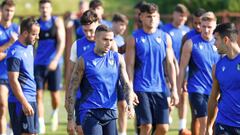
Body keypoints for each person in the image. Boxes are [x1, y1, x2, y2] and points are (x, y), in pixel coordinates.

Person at [66, 25, 138, 135]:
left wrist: (130, 104)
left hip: (110, 111)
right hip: (89, 111)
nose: (108, 43)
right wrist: (70, 119)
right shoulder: (83, 60)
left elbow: (125, 83)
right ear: (95, 38)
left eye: (111, 40)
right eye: (105, 39)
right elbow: (72, 89)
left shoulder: (117, 58)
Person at [125, 2, 179, 135]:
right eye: (149, 16)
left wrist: (174, 89)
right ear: (141, 17)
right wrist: (130, 89)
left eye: (154, 16)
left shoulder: (166, 37)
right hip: (141, 88)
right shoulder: (133, 38)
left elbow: (170, 64)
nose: (152, 19)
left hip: (161, 88)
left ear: (159, 17)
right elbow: (129, 66)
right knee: (146, 126)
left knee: (163, 128)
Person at [178, 12, 220, 135]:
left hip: (214, 91)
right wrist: (178, 89)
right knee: (204, 122)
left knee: (212, 125)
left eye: (209, 27)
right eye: (204, 26)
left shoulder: (219, 45)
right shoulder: (190, 43)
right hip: (197, 89)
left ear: (215, 26)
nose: (206, 30)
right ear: (200, 26)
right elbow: (182, 68)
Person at [34, 0, 66, 133]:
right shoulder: (36, 24)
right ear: (39, 9)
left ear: (51, 9)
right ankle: (40, 123)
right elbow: (31, 43)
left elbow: (62, 42)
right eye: (42, 8)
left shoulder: (57, 22)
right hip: (38, 64)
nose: (44, 10)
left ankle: (55, 112)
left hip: (54, 64)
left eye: (47, 7)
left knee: (54, 96)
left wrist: (55, 60)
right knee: (38, 95)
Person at [65, 9, 99, 135]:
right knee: (80, 130)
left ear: (98, 24)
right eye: (85, 31)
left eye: (92, 30)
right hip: (81, 97)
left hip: (102, 98)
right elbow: (70, 73)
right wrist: (67, 97)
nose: (89, 34)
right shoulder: (77, 45)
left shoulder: (107, 43)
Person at [7, 17, 40, 135]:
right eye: (34, 34)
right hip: (20, 101)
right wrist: (24, 103)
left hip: (31, 98)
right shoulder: (15, 52)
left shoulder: (30, 47)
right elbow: (13, 80)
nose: (37, 37)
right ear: (25, 33)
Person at [206, 23, 240, 135]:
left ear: (226, 40)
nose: (214, 44)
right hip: (223, 123)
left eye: (216, 39)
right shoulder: (218, 66)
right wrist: (209, 126)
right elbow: (213, 98)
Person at [178, 8, 206, 135]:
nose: (198, 26)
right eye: (195, 23)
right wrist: (184, 79)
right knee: (197, 115)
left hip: (212, 83)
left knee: (213, 117)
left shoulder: (215, 36)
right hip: (195, 83)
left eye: (201, 23)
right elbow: (182, 63)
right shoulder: (187, 37)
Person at [0, 0, 18, 134]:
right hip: (2, 75)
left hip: (16, 75)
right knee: (2, 106)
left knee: (16, 107)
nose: (8, 13)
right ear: (2, 10)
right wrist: (10, 43)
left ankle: (11, 130)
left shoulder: (17, 29)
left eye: (11, 11)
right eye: (6, 10)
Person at [112, 13, 128, 135]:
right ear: (114, 23)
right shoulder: (107, 37)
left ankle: (122, 133)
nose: (123, 28)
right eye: (121, 24)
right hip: (109, 78)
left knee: (123, 105)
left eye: (125, 25)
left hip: (119, 77)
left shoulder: (121, 39)